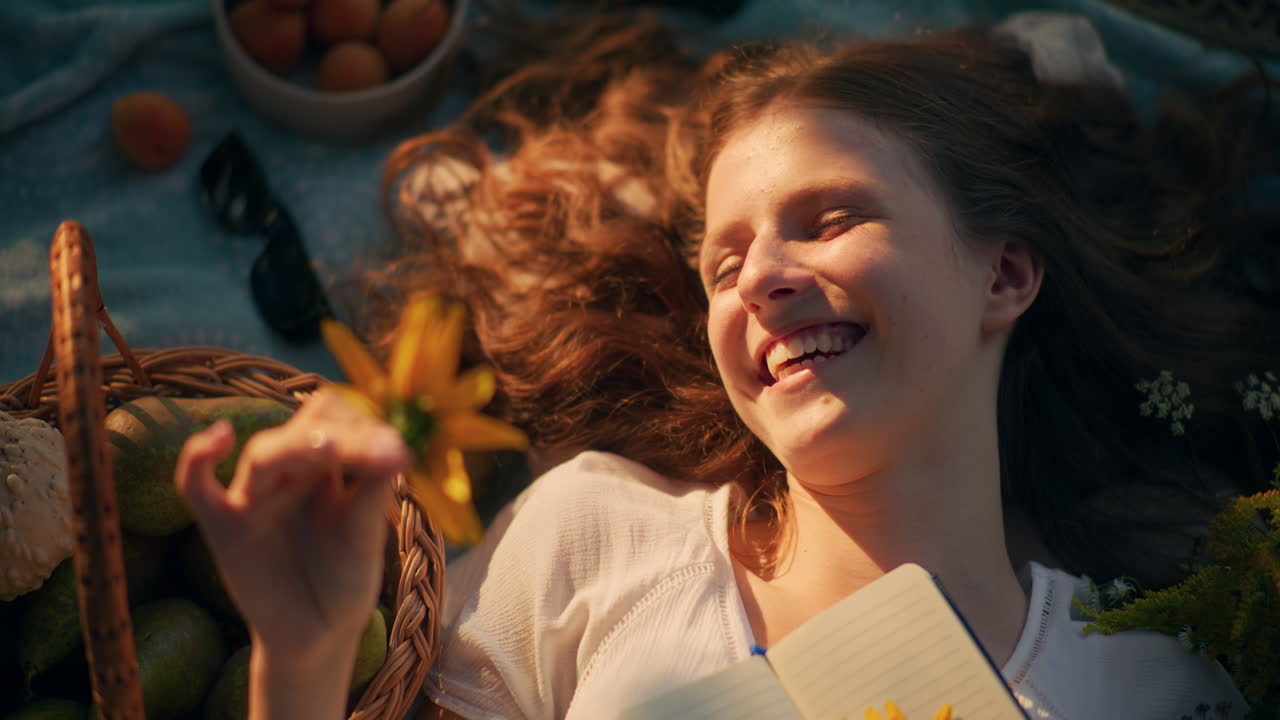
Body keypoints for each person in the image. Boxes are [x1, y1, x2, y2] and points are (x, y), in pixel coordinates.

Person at [175, 10, 1279, 720]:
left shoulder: (1155, 681)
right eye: (723, 261)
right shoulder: (593, 540)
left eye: (830, 215)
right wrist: (305, 665)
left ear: (1002, 277)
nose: (756, 279)